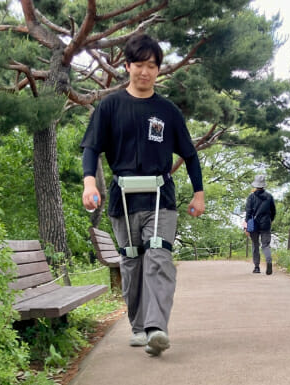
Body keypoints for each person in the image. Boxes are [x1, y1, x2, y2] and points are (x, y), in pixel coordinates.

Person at [80, 33, 205, 357]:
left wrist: (198, 194)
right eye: (139, 65)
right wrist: (89, 183)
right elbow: (91, 147)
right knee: (132, 263)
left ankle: (156, 328)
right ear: (127, 66)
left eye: (152, 65)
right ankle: (138, 325)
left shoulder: (167, 110)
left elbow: (190, 154)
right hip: (123, 198)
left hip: (160, 197)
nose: (145, 71)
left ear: (158, 70)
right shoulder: (109, 107)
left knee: (159, 255)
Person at [244, 175, 276, 275]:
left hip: (254, 224)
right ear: (263, 185)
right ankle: (269, 261)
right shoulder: (269, 197)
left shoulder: (251, 196)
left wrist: (246, 226)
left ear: (255, 185)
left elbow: (248, 213)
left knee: (255, 245)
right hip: (266, 224)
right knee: (266, 245)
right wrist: (270, 220)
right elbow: (273, 211)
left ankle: (257, 267)